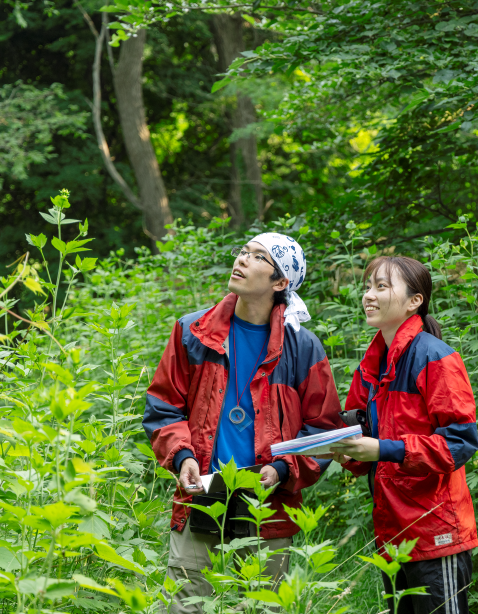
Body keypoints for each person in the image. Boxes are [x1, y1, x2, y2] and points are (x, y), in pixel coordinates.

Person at [143, 233, 342, 614]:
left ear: (280, 282)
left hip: (267, 502)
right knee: (185, 605)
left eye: (258, 257)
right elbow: (163, 407)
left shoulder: (302, 347)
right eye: (243, 252)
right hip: (200, 492)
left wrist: (284, 468)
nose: (242, 260)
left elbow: (324, 429)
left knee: (261, 607)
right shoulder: (193, 332)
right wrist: (182, 455)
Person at [329, 256, 478, 614]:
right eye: (368, 286)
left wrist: (383, 449)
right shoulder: (370, 365)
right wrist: (347, 453)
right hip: (391, 531)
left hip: (434, 529)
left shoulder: (435, 357)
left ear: (415, 301)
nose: (369, 295)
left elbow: (459, 442)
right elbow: (365, 439)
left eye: (382, 286)